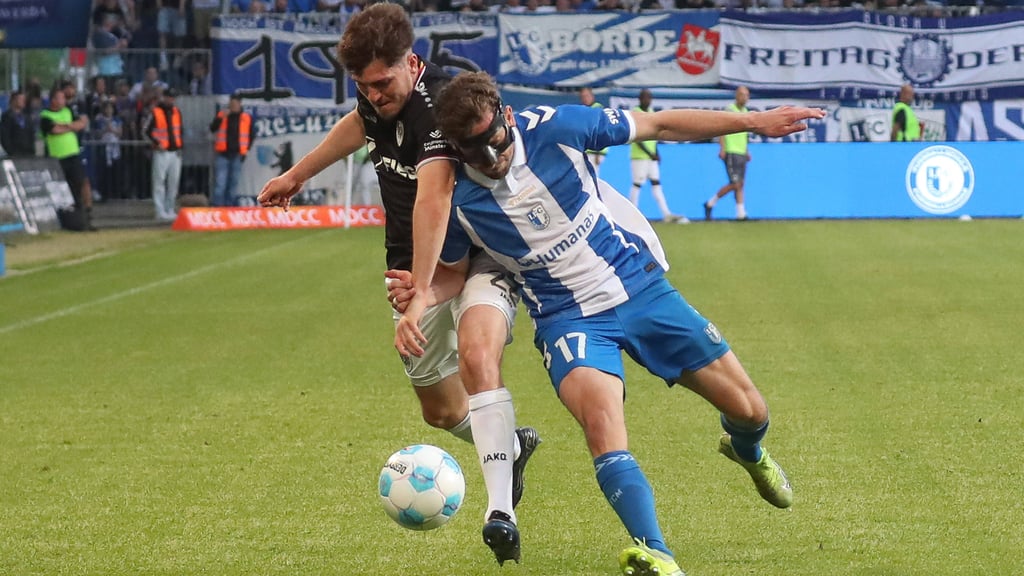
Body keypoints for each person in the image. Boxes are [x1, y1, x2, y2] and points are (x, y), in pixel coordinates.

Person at [396, 72, 824, 576]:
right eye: (474, 153)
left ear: (507, 116)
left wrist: (752, 121)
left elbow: (660, 124)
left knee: (751, 411)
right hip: (566, 319)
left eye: (494, 142)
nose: (491, 160)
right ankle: (656, 551)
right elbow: (454, 273)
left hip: (640, 289)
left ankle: (747, 451)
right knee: (603, 427)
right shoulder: (455, 197)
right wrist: (418, 301)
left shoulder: (558, 126)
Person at [255, 5, 540, 564]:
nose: (375, 94)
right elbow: (360, 124)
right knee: (437, 409)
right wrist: (296, 176)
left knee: (481, 358)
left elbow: (434, 199)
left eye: (383, 83)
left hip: (472, 253)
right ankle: (509, 446)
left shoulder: (441, 109)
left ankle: (499, 507)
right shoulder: (374, 94)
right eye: (363, 85)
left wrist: (424, 292)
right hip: (410, 264)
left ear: (412, 63)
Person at [39, 88, 95, 231]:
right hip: (57, 158)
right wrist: (71, 126)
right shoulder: (45, 115)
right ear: (53, 100)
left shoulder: (68, 111)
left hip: (73, 155)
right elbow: (54, 130)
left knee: (82, 183)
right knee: (63, 189)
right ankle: (66, 220)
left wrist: (65, 126)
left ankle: (87, 217)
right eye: (61, 98)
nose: (64, 101)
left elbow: (81, 124)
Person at [629, 89, 687, 224]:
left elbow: (653, 136)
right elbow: (636, 138)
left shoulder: (651, 113)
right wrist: (650, 153)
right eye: (645, 98)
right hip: (639, 157)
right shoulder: (635, 113)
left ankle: (666, 213)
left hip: (651, 157)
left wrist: (657, 153)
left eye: (649, 98)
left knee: (656, 183)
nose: (647, 100)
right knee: (637, 184)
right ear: (640, 99)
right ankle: (632, 214)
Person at [704, 85, 751, 221]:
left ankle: (741, 213)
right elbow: (722, 130)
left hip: (741, 151)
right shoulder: (730, 110)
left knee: (740, 183)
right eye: (742, 95)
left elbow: (744, 134)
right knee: (735, 183)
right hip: (731, 151)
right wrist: (722, 148)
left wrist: (747, 150)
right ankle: (710, 203)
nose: (745, 98)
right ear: (737, 96)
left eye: (747, 95)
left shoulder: (746, 111)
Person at [144, 88, 184, 221]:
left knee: (173, 182)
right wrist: (156, 143)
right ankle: (160, 210)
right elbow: (145, 131)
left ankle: (170, 208)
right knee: (159, 181)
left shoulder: (176, 112)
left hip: (175, 152)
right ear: (164, 97)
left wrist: (180, 145)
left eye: (173, 98)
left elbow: (179, 131)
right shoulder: (155, 112)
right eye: (169, 97)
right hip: (162, 152)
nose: (171, 100)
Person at [209, 94, 255, 207]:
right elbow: (212, 128)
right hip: (223, 154)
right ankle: (218, 206)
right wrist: (221, 118)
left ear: (240, 104)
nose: (233, 106)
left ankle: (229, 207)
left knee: (233, 183)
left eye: (235, 104)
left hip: (237, 154)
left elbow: (251, 135)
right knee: (220, 183)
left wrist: (246, 150)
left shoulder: (246, 117)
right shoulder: (222, 115)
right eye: (231, 104)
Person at [578, 87, 608, 177]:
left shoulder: (597, 109)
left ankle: (596, 191)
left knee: (592, 176)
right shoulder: (583, 110)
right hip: (587, 150)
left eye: (587, 96)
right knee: (586, 176)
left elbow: (601, 131)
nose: (585, 98)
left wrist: (598, 152)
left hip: (595, 151)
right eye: (582, 97)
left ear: (592, 96)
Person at [1, 91, 37, 157]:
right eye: (20, 99)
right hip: (15, 154)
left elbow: (31, 134)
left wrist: (32, 150)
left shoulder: (27, 117)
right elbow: (4, 136)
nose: (23, 101)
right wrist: (11, 152)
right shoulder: (7, 116)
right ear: (13, 101)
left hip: (28, 153)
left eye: (24, 99)